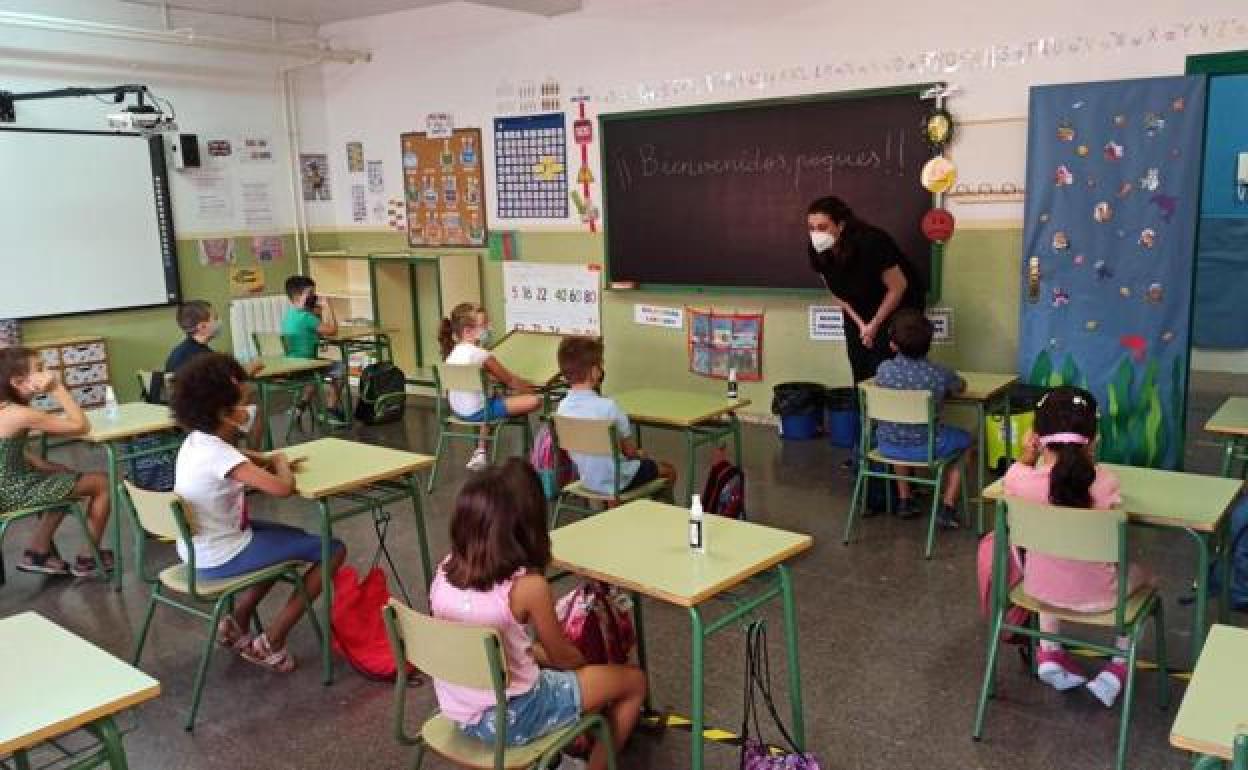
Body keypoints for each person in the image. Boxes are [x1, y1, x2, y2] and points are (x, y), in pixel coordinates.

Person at [430, 459, 647, 770]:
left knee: (549, 667)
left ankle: (558, 754)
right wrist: (589, 663)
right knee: (632, 682)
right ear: (527, 523)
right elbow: (565, 660)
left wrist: (535, 653)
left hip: (458, 711)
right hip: (515, 718)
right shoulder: (529, 587)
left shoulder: (443, 572)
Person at [171, 352, 346, 672]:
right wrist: (278, 462)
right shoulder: (219, 454)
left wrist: (263, 459)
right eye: (243, 403)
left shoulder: (198, 441)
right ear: (224, 413)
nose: (249, 409)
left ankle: (237, 621)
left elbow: (238, 456)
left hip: (196, 548)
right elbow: (283, 489)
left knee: (290, 539)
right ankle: (271, 642)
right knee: (332, 550)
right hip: (219, 555)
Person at [1003, 386, 1149, 707]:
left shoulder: (1018, 481)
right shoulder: (1106, 483)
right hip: (1100, 598)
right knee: (1147, 575)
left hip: (1036, 591)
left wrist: (1028, 456)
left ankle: (1049, 654)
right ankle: (1117, 668)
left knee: (1052, 560)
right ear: (1094, 441)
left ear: (1037, 437)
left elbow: (1017, 473)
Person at [0, 347, 112, 577]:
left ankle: (37, 552)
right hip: (12, 491)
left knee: (60, 477)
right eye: (40, 369)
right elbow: (80, 426)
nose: (48, 373)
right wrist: (57, 388)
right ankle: (88, 558)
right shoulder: (19, 413)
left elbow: (12, 450)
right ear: (18, 381)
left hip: (7, 487)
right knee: (103, 483)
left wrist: (45, 465)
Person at [807, 195, 925, 384]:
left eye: (822, 227)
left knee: (885, 367)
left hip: (897, 306)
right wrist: (863, 326)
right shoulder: (817, 250)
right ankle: (864, 412)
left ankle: (893, 411)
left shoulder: (872, 242)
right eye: (811, 228)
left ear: (841, 225)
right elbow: (835, 293)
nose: (816, 234)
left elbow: (898, 287)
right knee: (859, 364)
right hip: (858, 309)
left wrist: (875, 324)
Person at [874, 309, 969, 528]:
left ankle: (905, 500)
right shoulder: (938, 373)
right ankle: (947, 506)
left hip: (887, 446)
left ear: (893, 345)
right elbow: (961, 387)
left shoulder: (884, 370)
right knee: (967, 443)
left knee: (899, 429)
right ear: (929, 344)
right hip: (926, 447)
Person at [555, 337, 676, 496]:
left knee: (612, 466)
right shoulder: (609, 408)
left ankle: (615, 512)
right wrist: (640, 454)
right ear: (594, 372)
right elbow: (630, 452)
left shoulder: (562, 409)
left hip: (587, 480)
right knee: (668, 470)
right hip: (620, 481)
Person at [438, 302, 539, 471]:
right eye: (484, 325)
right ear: (468, 331)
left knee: (490, 398)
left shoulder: (452, 354)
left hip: (457, 410)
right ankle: (485, 451)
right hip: (478, 412)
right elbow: (511, 381)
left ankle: (481, 451)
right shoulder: (480, 354)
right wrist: (532, 390)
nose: (489, 328)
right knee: (534, 401)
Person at [165, 300, 263, 446]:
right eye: (215, 318)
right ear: (202, 326)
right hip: (204, 419)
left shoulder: (178, 352)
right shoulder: (204, 358)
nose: (219, 322)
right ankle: (250, 456)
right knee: (251, 402)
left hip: (182, 415)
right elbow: (230, 383)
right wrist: (249, 370)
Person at [281, 275, 345, 420]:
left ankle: (300, 406)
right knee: (341, 368)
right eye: (310, 294)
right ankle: (330, 408)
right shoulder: (306, 317)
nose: (314, 297)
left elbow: (315, 327)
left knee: (315, 368)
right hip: (305, 367)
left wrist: (316, 311)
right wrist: (328, 306)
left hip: (291, 366)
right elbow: (332, 330)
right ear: (298, 296)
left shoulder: (289, 315)